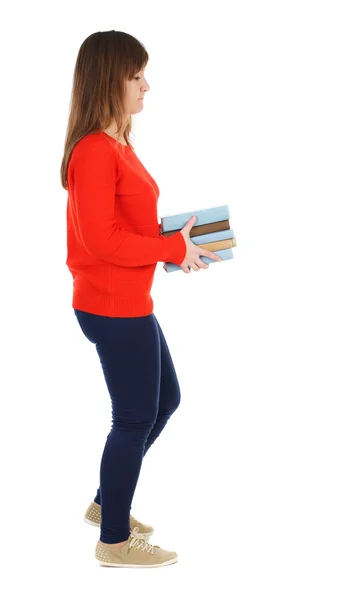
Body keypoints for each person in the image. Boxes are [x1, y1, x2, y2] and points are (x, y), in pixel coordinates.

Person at [60, 29, 222, 569]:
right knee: (132, 418)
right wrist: (169, 245)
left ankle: (108, 502)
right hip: (110, 306)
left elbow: (123, 224)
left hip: (129, 299)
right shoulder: (92, 152)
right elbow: (99, 240)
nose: (146, 86)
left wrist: (177, 242)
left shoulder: (117, 144)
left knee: (164, 401)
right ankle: (113, 541)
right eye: (136, 76)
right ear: (110, 80)